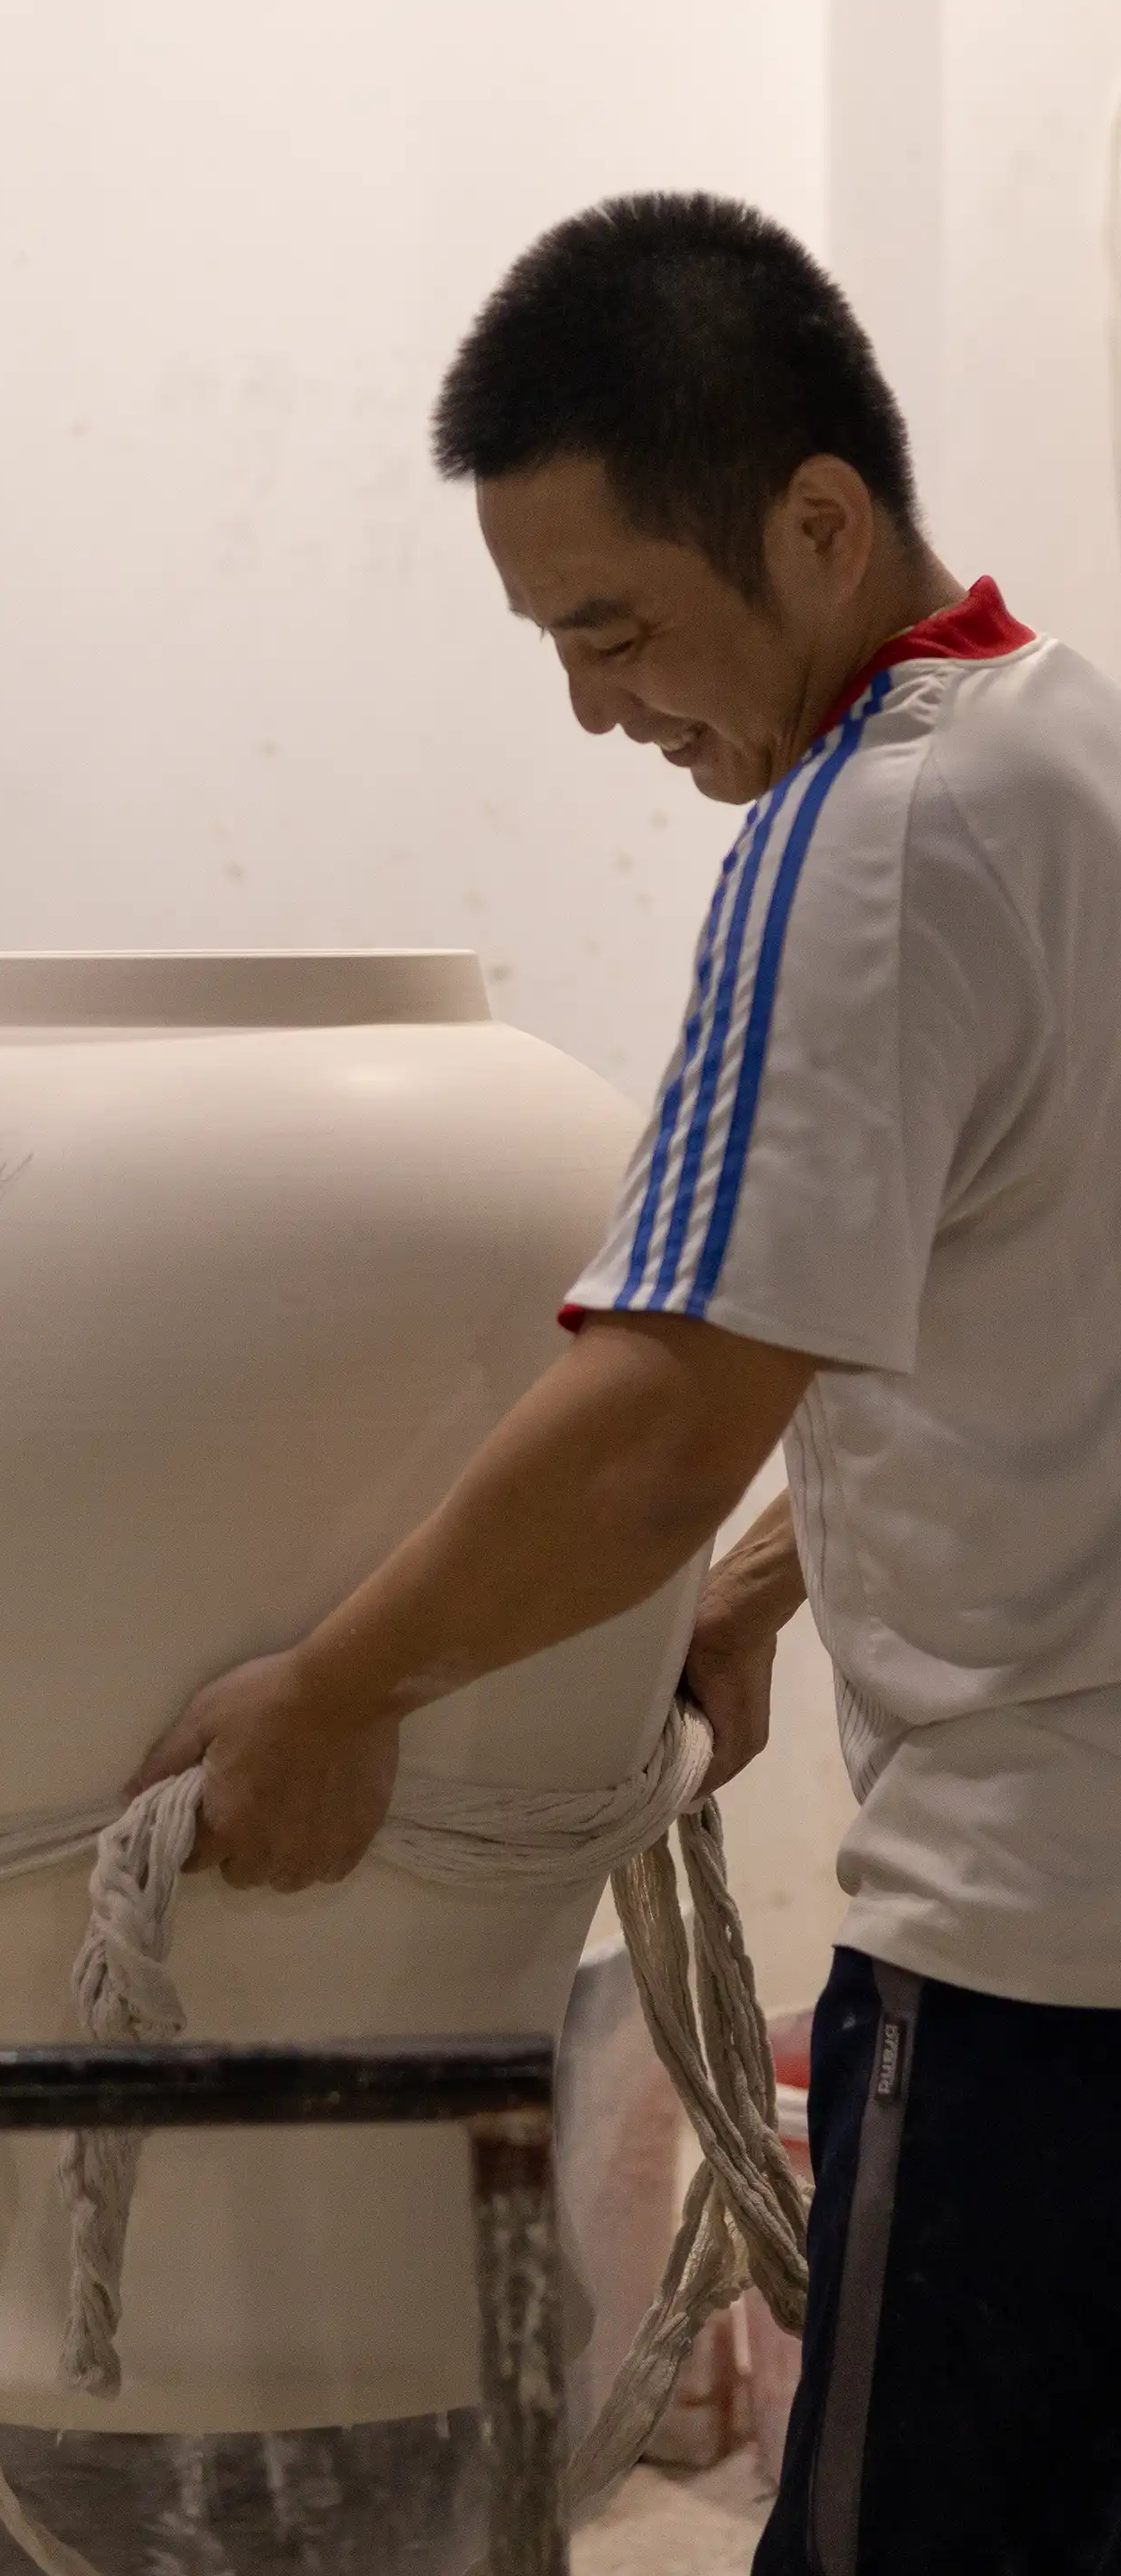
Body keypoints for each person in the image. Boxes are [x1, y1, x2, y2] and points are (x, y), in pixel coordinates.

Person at [136, 193, 1121, 2573]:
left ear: (815, 521)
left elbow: (666, 1403)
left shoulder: (858, 840)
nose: (593, 703)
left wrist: (332, 1693)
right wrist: (776, 1589)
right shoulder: (1077, 751)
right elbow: (1032, 1326)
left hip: (1027, 1973)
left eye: (612, 625)